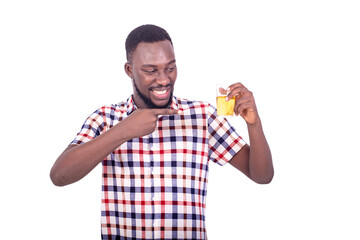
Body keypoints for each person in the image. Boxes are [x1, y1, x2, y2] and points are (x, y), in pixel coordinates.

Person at [50, 24, 274, 240]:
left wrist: (254, 124)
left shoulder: (202, 115)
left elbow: (262, 176)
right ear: (129, 70)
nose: (164, 79)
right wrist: (123, 130)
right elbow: (59, 175)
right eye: (150, 70)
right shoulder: (106, 118)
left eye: (170, 67)